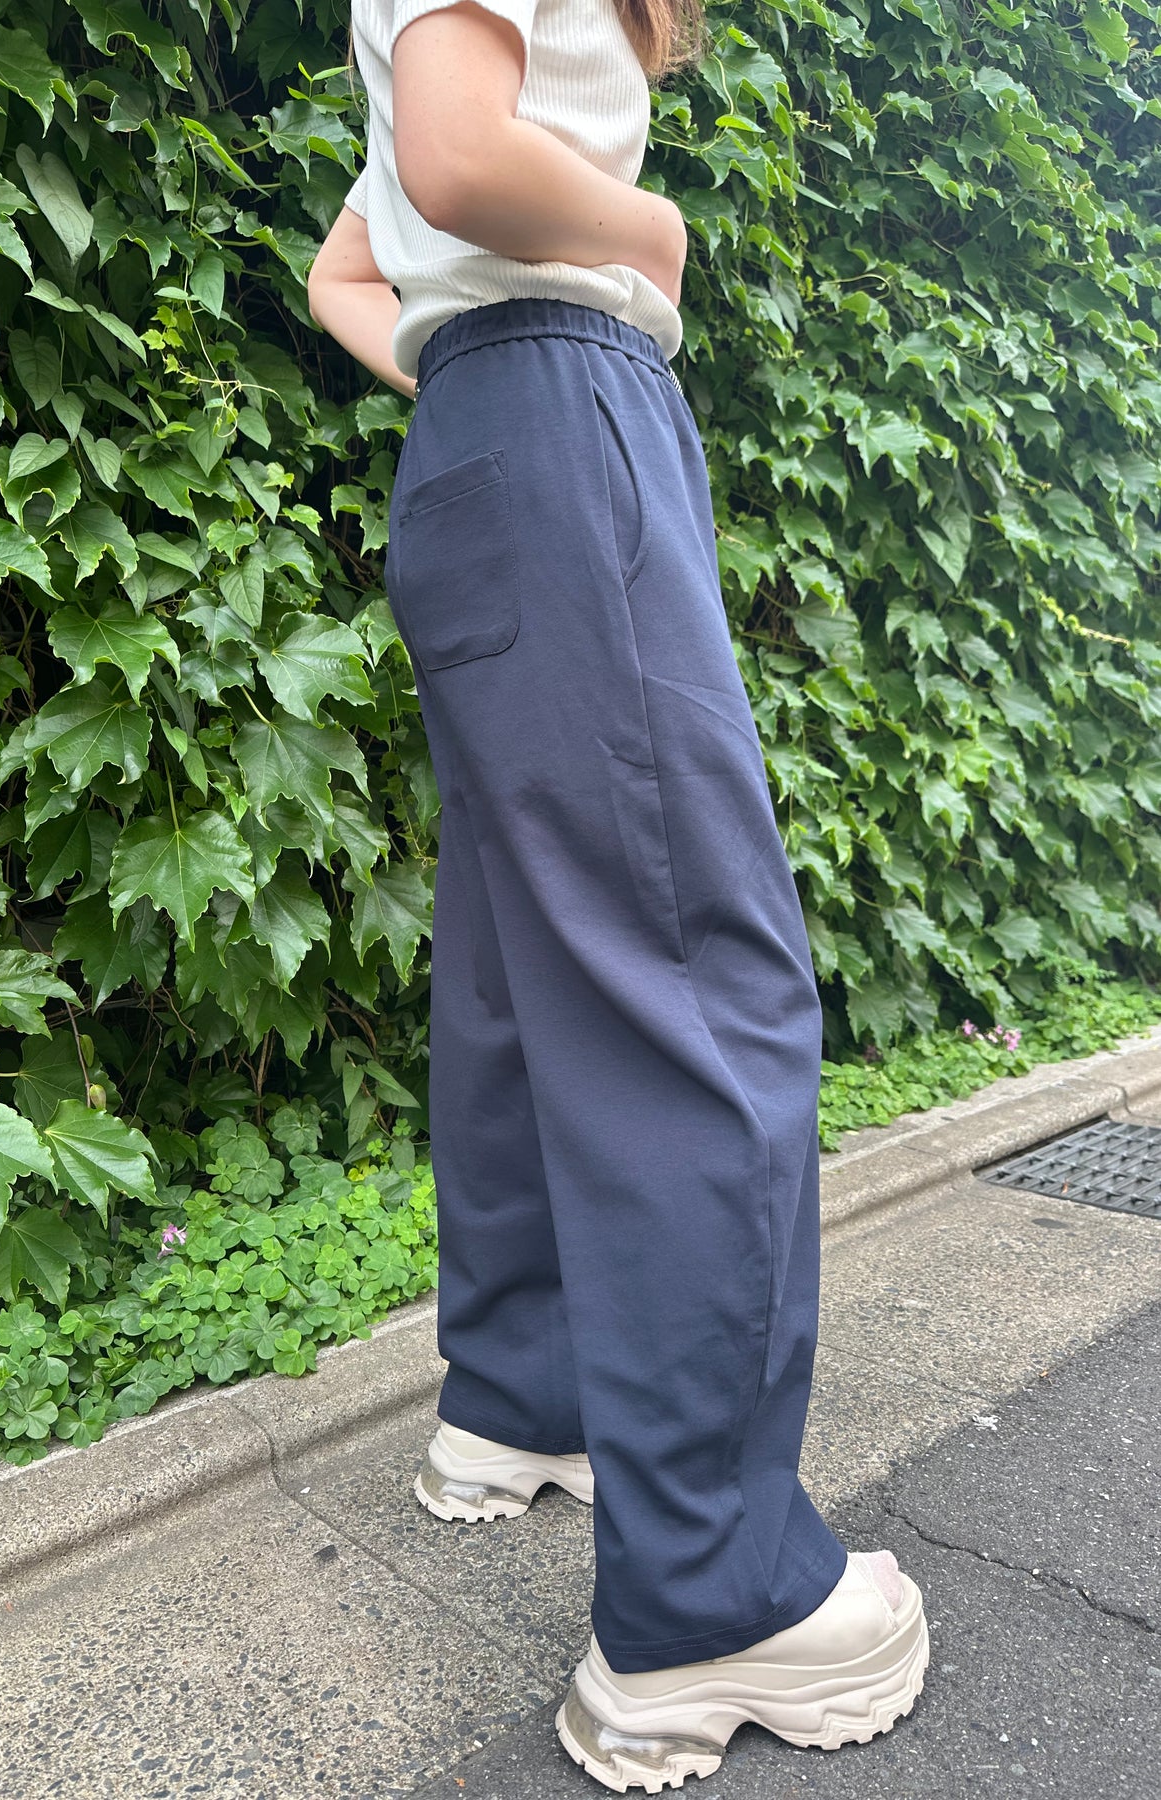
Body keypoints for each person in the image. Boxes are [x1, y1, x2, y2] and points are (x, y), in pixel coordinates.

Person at [307, 1, 931, 1788]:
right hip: (568, 424)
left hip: (479, 447)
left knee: (521, 973)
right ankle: (710, 1597)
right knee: (692, 983)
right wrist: (646, 233)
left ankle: (522, 1400)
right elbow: (455, 158)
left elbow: (348, 268)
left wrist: (476, 360)